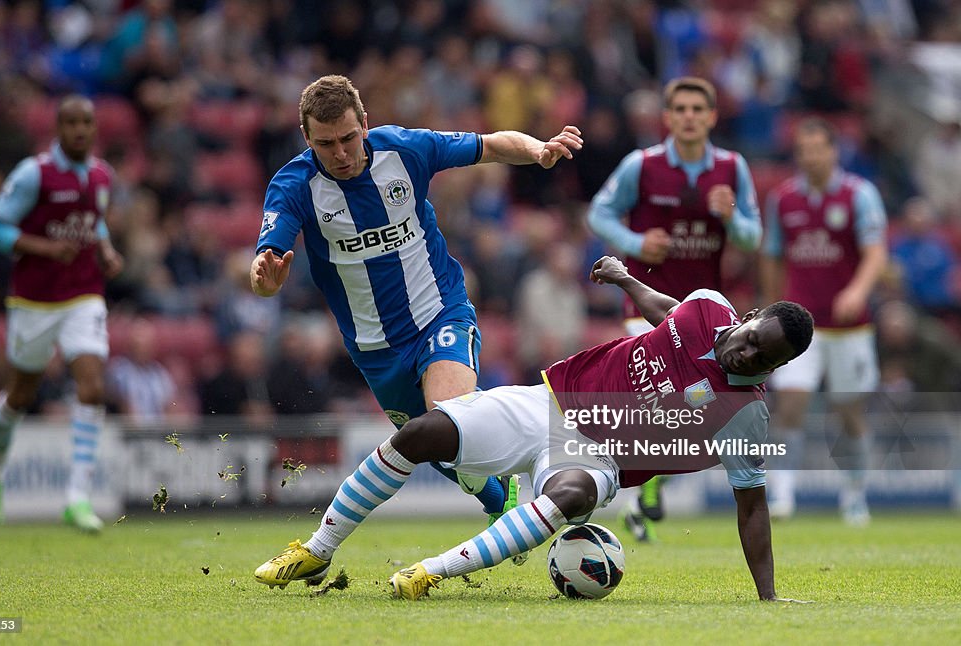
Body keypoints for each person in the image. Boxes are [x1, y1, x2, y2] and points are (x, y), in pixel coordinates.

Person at [253, 255, 813, 600]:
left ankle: (430, 572)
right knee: (418, 436)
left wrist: (767, 597)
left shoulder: (745, 414)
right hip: (546, 402)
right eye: (751, 336)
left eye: (763, 356)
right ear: (749, 316)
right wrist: (624, 279)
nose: (745, 353)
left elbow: (752, 505)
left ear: (779, 365)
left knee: (571, 494)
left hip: (600, 462)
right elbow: (667, 310)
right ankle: (318, 549)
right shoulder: (709, 308)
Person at [250, 75, 582, 521]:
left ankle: (548, 462)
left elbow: (491, 144)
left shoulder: (405, 149)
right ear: (307, 138)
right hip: (375, 347)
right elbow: (265, 274)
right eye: (327, 144)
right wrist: (267, 280)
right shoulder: (293, 187)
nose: (342, 153)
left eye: (349, 137)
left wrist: (538, 149)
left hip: (438, 310)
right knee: (444, 450)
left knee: (450, 417)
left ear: (365, 123)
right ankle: (501, 497)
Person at [586, 76, 763, 541]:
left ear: (711, 117)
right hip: (645, 300)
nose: (688, 116)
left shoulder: (731, 167)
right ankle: (625, 488)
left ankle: (641, 491)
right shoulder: (640, 166)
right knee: (654, 400)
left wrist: (731, 218)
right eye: (679, 109)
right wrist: (635, 243)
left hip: (707, 315)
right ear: (667, 118)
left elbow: (753, 238)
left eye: (696, 109)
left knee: (687, 410)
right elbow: (599, 213)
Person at [0, 95, 125, 532]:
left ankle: (77, 497)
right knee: (21, 395)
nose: (80, 130)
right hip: (34, 301)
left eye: (87, 123)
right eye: (71, 123)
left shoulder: (102, 175)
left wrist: (106, 249)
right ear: (58, 129)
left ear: (95, 129)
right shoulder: (33, 173)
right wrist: (44, 248)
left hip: (83, 294)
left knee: (92, 386)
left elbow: (93, 222)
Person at [761, 117, 888, 525]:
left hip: (850, 328)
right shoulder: (782, 199)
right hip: (800, 328)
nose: (812, 157)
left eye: (819, 148)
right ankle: (781, 494)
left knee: (849, 413)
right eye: (804, 150)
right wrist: (771, 307)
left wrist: (857, 290)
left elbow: (875, 252)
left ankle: (854, 493)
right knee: (791, 403)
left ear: (834, 151)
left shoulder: (859, 195)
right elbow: (772, 255)